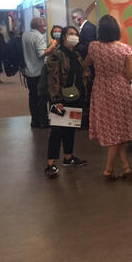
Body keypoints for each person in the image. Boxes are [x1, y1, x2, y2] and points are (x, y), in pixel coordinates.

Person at [84, 15, 132, 180]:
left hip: (101, 89)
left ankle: (109, 170)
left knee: (112, 130)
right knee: (118, 129)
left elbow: (86, 63)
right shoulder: (125, 49)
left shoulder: (94, 47)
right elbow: (129, 75)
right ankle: (125, 168)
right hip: (120, 89)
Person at [44, 26, 89, 178]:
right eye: (71, 34)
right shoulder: (56, 55)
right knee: (57, 131)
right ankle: (50, 164)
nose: (74, 36)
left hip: (75, 97)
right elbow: (52, 79)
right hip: (61, 99)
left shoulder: (76, 54)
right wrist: (56, 100)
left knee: (70, 128)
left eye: (76, 34)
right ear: (63, 37)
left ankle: (68, 157)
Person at [22, 17, 58, 128]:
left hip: (28, 71)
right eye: (44, 26)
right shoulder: (38, 36)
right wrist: (53, 45)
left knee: (32, 96)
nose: (45, 28)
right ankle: (43, 121)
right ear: (39, 26)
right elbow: (41, 54)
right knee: (42, 97)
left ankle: (34, 120)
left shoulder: (25, 35)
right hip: (38, 71)